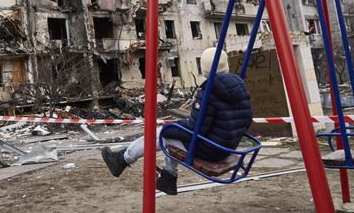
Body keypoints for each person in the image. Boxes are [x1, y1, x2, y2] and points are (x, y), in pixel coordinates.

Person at [101, 47, 253, 195]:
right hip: (227, 146)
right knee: (172, 136)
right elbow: (246, 120)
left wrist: (172, 126)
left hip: (211, 150)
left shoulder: (209, 92)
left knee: (162, 134)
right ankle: (168, 178)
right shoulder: (240, 87)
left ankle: (122, 160)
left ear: (204, 68)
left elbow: (196, 129)